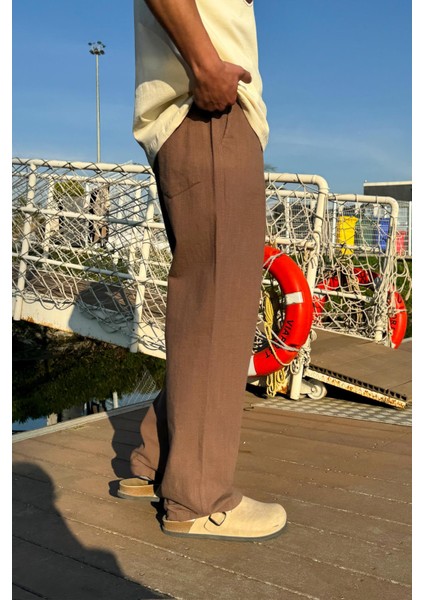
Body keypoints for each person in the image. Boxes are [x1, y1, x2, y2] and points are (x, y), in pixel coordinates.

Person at [118, 0, 287, 542]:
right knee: (220, 308)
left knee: (202, 306)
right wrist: (206, 66)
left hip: (192, 115)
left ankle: (156, 461)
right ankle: (199, 496)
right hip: (209, 112)